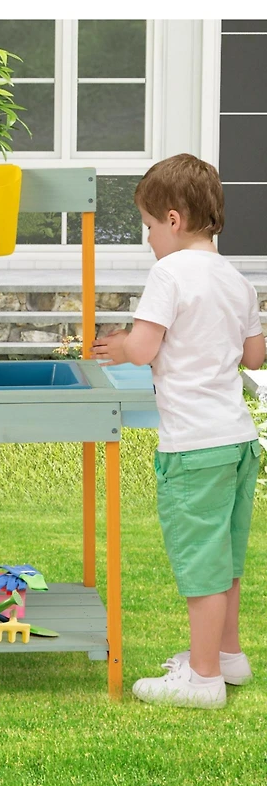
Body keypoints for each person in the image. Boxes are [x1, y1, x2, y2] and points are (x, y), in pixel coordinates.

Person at [91, 153, 265, 710]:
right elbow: (254, 356)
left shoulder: (169, 274)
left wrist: (119, 345)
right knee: (225, 558)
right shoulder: (236, 279)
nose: (148, 239)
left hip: (194, 448)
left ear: (173, 219)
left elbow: (144, 349)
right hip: (238, 441)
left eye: (148, 226)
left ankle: (203, 678)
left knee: (200, 566)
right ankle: (228, 656)